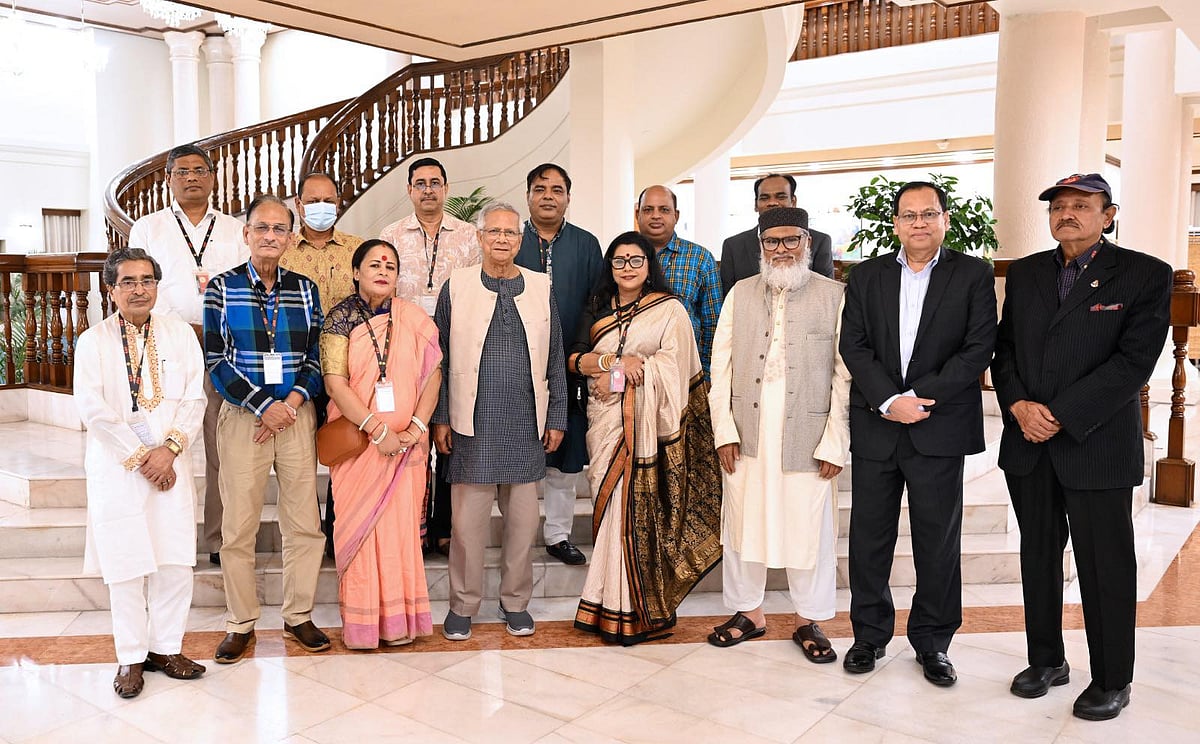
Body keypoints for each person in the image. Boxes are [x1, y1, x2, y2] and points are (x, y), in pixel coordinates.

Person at [992, 173, 1171, 721]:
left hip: (1096, 444)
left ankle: (1113, 678)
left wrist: (1060, 416)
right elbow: (1005, 350)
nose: (1066, 214)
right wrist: (1018, 404)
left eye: (1081, 205)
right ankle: (1046, 660)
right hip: (1028, 443)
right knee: (1038, 556)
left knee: (1104, 565)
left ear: (1108, 215)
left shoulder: (1144, 273)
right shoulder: (1026, 273)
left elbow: (1133, 363)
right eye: (1058, 207)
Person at [839, 180, 997, 686]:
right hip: (878, 423)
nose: (919, 223)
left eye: (929, 213)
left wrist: (918, 399)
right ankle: (868, 636)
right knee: (869, 537)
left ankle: (933, 642)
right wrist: (890, 401)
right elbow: (853, 345)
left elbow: (978, 348)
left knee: (938, 540)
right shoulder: (866, 276)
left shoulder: (973, 274)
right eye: (909, 215)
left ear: (945, 219)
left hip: (939, 424)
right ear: (896, 224)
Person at [707, 208, 850, 661]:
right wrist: (723, 432)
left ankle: (810, 619)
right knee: (743, 522)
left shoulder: (834, 295)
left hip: (809, 435)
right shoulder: (739, 293)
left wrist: (834, 441)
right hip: (747, 432)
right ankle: (749, 612)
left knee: (809, 529)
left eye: (792, 240)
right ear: (760, 245)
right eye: (772, 241)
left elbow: (844, 375)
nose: (782, 249)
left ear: (808, 242)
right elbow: (720, 368)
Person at [571, 231, 723, 645]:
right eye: (619, 261)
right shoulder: (597, 306)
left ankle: (636, 610)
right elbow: (575, 359)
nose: (628, 268)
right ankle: (603, 602)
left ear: (648, 265)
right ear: (610, 267)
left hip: (648, 428)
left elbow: (675, 366)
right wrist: (614, 363)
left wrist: (620, 377)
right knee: (611, 512)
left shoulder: (670, 309)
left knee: (635, 511)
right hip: (605, 422)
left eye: (636, 260)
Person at [74, 248, 207, 698]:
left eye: (147, 280)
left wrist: (168, 451)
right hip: (118, 470)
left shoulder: (179, 335)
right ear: (111, 290)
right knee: (126, 563)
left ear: (157, 285)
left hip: (172, 463)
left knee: (174, 561)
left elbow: (194, 398)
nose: (139, 290)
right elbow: (93, 409)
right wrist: (141, 457)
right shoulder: (93, 341)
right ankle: (130, 656)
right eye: (128, 282)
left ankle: (166, 648)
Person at [431, 202, 567, 640]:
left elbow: (556, 357)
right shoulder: (457, 285)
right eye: (494, 232)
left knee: (523, 527)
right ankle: (463, 605)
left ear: (520, 239)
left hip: (526, 426)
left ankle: (515, 602)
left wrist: (557, 415)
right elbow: (439, 359)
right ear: (479, 237)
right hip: (471, 426)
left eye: (510, 232)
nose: (502, 239)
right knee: (466, 529)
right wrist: (440, 417)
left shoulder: (541, 287)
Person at [203, 194, 329, 663]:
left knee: (305, 524)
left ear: (290, 238)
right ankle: (240, 622)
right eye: (262, 227)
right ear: (246, 234)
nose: (270, 236)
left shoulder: (305, 289)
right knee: (238, 527)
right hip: (244, 417)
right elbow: (215, 359)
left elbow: (315, 356)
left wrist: (290, 403)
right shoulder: (221, 287)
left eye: (279, 229)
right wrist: (263, 405)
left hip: (295, 415)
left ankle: (299, 615)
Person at [128, 143, 247, 566]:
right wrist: (181, 329)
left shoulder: (234, 229)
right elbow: (140, 283)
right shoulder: (148, 228)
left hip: (221, 349)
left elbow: (243, 286)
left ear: (212, 177)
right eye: (182, 171)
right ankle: (161, 537)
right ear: (168, 179)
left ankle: (218, 539)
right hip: (164, 346)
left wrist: (211, 328)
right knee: (161, 440)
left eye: (199, 170)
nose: (191, 177)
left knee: (220, 447)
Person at [321, 239, 442, 649]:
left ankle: (399, 622)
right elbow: (334, 383)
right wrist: (378, 430)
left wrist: (416, 428)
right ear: (356, 272)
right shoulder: (339, 319)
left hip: (408, 448)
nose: (383, 271)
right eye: (374, 264)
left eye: (390, 266)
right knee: (359, 532)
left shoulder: (414, 319)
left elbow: (433, 375)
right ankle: (363, 626)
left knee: (400, 536)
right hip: (360, 447)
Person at [380, 157, 482, 557]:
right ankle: (415, 527)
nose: (428, 190)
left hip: (457, 348)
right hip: (407, 351)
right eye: (420, 183)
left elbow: (478, 291)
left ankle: (444, 527)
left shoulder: (469, 236)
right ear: (409, 190)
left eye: (435, 182)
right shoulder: (391, 234)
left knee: (451, 437)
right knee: (414, 435)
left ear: (446, 188)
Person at [515, 163, 606, 567]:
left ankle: (557, 534)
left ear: (568, 197)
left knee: (566, 453)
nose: (548, 196)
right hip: (516, 365)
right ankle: (517, 534)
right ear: (528, 196)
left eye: (557, 189)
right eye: (540, 189)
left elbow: (596, 304)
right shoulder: (511, 239)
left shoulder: (586, 244)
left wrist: (581, 352)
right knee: (517, 448)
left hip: (569, 365)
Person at [281, 171, 365, 559]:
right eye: (313, 201)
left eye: (328, 201)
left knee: (344, 452)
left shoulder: (358, 250)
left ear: (339, 203)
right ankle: (304, 536)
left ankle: (338, 530)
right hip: (296, 371)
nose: (321, 208)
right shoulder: (282, 251)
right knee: (298, 460)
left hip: (348, 372)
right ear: (298, 205)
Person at [634, 185, 722, 379]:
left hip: (685, 373)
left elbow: (713, 326)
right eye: (648, 210)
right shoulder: (623, 256)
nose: (656, 216)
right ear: (637, 214)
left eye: (664, 210)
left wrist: (706, 376)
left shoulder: (700, 258)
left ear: (676, 215)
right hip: (632, 373)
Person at [719, 173, 835, 295]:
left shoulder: (819, 241)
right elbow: (729, 296)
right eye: (764, 198)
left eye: (781, 197)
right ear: (756, 204)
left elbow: (826, 293)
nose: (772, 202)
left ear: (793, 201)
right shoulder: (733, 246)